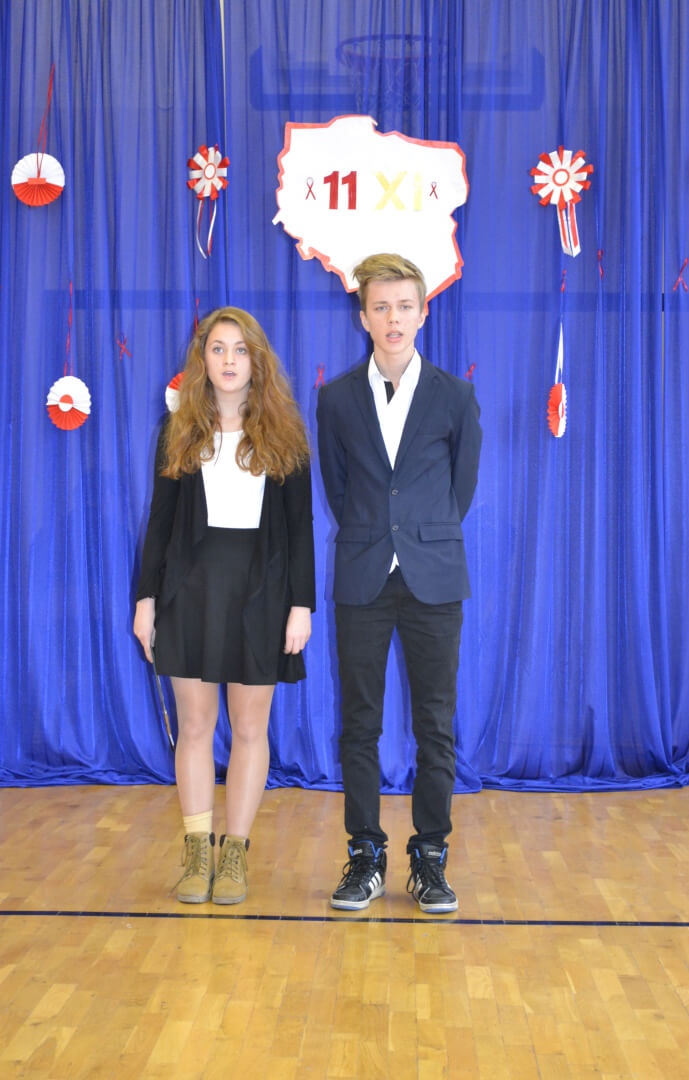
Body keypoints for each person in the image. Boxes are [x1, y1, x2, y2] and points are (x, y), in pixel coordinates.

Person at [316, 253, 481, 913]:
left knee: (435, 723)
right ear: (363, 316)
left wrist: (419, 537)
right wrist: (378, 536)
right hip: (362, 576)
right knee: (359, 723)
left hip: (434, 579)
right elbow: (339, 488)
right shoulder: (335, 399)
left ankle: (430, 857)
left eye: (404, 306)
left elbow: (459, 491)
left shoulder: (455, 396)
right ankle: (365, 854)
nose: (393, 318)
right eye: (380, 307)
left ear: (423, 312)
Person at [134, 307, 314, 905]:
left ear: (257, 360)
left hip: (261, 596)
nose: (229, 360)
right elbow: (159, 523)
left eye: (240, 349)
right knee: (194, 725)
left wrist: (301, 605)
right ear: (202, 358)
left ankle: (234, 854)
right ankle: (196, 852)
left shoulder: (286, 433)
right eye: (218, 348)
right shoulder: (178, 430)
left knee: (250, 728)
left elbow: (302, 528)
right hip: (190, 593)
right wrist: (146, 598)